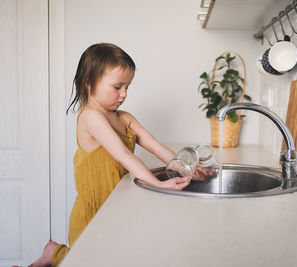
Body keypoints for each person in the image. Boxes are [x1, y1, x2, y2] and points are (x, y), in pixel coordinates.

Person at [19, 43, 214, 267]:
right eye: (117, 86)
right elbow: (124, 156)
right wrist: (158, 185)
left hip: (115, 205)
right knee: (87, 262)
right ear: (89, 83)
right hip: (93, 210)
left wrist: (185, 168)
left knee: (109, 259)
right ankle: (53, 253)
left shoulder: (124, 118)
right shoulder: (90, 117)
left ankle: (58, 253)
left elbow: (155, 146)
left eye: (127, 87)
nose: (124, 94)